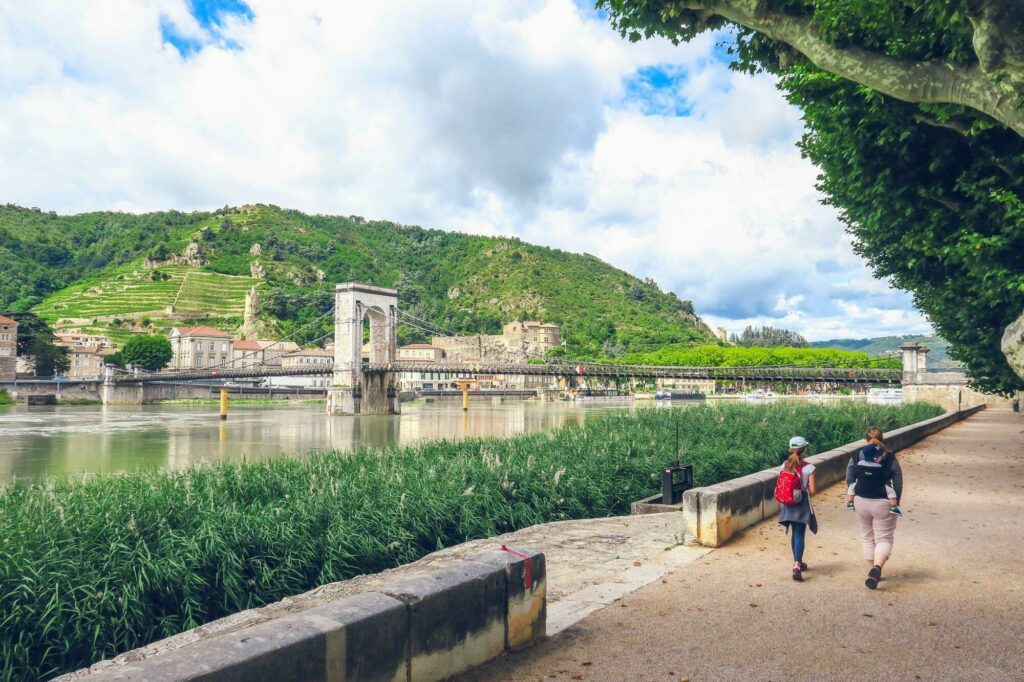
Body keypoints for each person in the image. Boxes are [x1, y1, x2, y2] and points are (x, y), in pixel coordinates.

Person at [848, 427, 902, 589]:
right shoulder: (889, 457)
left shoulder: (857, 454)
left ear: (865, 439)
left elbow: (850, 477)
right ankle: (877, 567)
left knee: (867, 536)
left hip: (861, 500)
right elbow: (898, 480)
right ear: (882, 439)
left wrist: (855, 493)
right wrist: (896, 500)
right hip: (883, 500)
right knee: (884, 538)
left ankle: (871, 570)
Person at [778, 435, 816, 581]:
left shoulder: (784, 465)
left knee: (794, 533)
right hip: (801, 504)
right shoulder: (809, 468)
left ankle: (797, 561)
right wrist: (804, 488)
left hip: (787, 503)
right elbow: (812, 490)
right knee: (800, 533)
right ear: (804, 450)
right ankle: (796, 565)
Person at [846, 446, 902, 516]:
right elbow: (897, 483)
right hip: (881, 496)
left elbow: (849, 479)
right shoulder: (880, 467)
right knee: (891, 492)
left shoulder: (858, 463)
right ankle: (894, 506)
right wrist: (897, 499)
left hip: (861, 495)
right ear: (876, 458)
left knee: (851, 487)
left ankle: (850, 502)